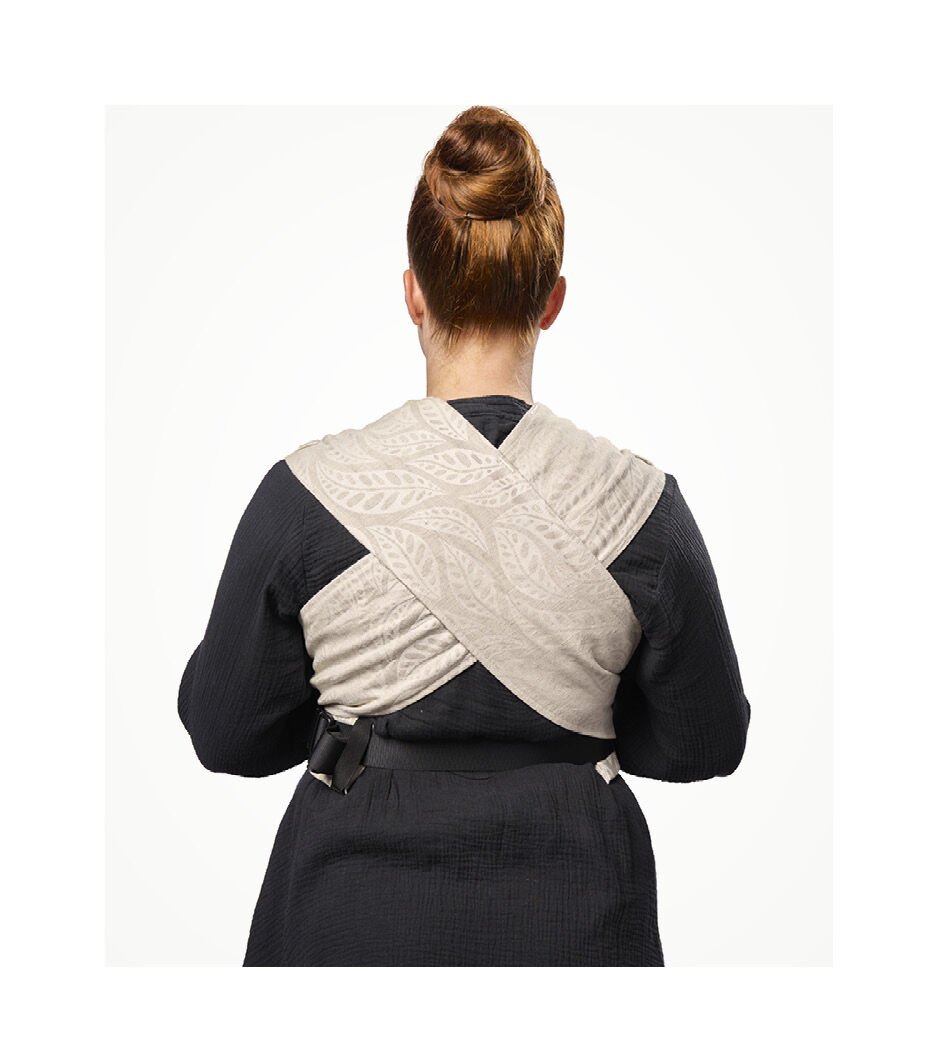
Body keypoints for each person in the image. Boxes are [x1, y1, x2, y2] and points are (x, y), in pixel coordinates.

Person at [177, 104, 751, 967]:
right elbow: (705, 742)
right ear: (551, 301)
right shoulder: (642, 510)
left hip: (346, 918)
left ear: (414, 292)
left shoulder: (305, 498)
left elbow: (226, 733)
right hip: (577, 919)